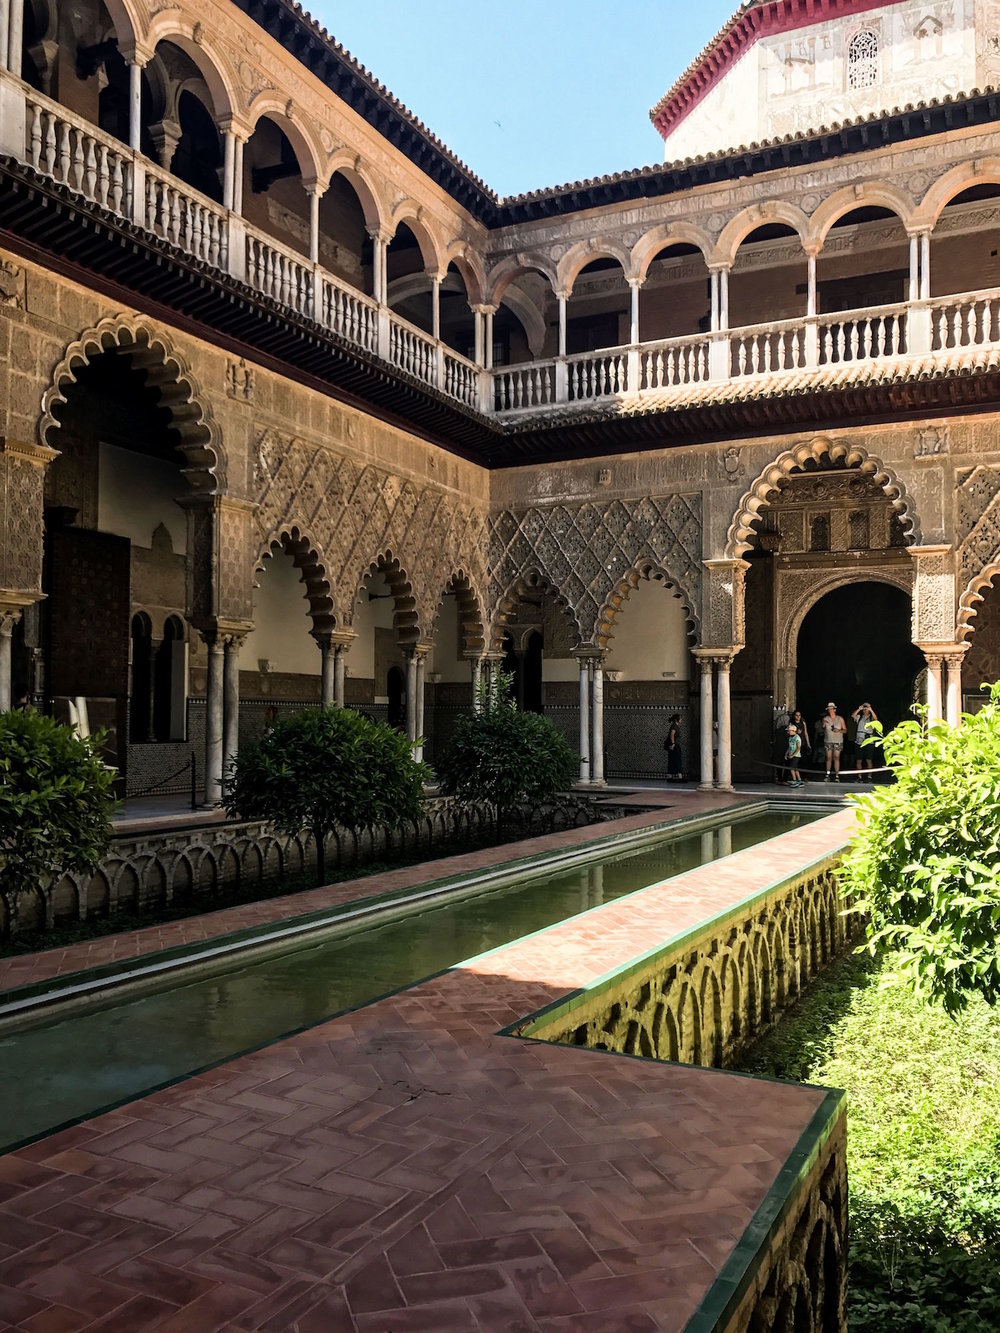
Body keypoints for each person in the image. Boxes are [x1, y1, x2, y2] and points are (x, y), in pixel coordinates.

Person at [851, 702, 879, 781]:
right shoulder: (859, 717)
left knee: (869, 759)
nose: (865, 709)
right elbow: (853, 715)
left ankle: (869, 776)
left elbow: (876, 719)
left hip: (869, 740)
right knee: (859, 759)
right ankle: (859, 776)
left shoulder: (871, 718)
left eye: (866, 708)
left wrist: (871, 710)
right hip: (860, 740)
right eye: (865, 707)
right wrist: (859, 709)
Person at [822, 701, 847, 782]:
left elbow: (845, 730)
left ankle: (837, 775)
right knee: (828, 757)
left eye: (832, 709)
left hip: (838, 740)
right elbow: (823, 727)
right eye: (829, 709)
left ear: (834, 709)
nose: (830, 710)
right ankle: (828, 774)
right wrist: (823, 722)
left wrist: (839, 730)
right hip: (828, 740)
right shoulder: (826, 718)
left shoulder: (840, 719)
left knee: (836, 757)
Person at [665, 713, 684, 782]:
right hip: (675, 746)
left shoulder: (675, 726)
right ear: (677, 720)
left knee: (672, 760)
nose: (681, 720)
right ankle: (679, 777)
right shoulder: (674, 726)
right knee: (677, 760)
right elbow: (672, 734)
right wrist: (673, 743)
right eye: (680, 718)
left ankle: (670, 776)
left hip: (674, 745)